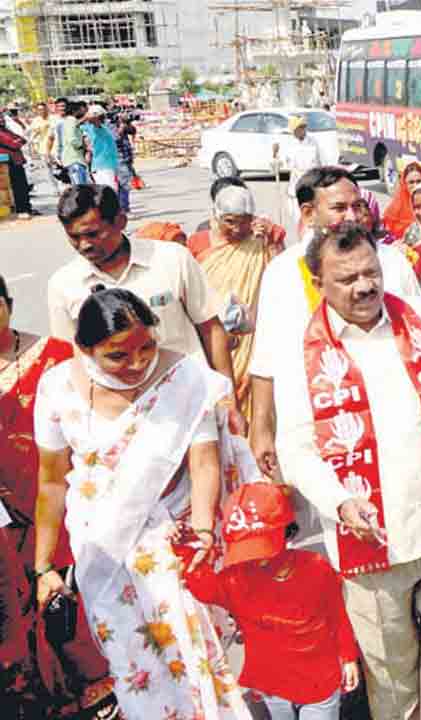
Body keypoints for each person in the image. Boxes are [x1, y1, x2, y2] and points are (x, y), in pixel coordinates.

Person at [273, 222, 421, 719]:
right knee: (390, 677)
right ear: (317, 283)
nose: (364, 287)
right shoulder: (299, 352)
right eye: (347, 279)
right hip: (369, 539)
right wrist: (340, 501)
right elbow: (295, 447)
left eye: (371, 273)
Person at [33, 287, 255, 719]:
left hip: (176, 535)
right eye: (117, 355)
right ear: (84, 348)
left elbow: (205, 462)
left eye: (147, 348)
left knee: (193, 653)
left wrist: (205, 530)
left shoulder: (186, 379)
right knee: (133, 659)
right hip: (102, 547)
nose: (137, 364)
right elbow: (51, 483)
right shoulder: (57, 388)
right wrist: (44, 567)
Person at [245, 166, 421, 489]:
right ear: (309, 213)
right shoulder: (282, 272)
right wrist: (261, 427)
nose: (352, 216)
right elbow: (266, 358)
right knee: (339, 512)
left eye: (357, 206)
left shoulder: (393, 262)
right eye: (339, 208)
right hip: (316, 420)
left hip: (393, 413)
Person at [0, 274, 117, 719]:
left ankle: (105, 687)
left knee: (75, 598)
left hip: (63, 503)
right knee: (21, 612)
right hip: (8, 521)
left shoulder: (52, 358)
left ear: (8, 303)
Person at [181, 483, 360, 720]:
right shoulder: (236, 579)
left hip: (320, 683)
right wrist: (188, 549)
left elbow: (337, 615)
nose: (254, 559)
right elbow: (204, 588)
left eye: (261, 547)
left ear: (286, 530)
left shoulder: (316, 568)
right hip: (274, 687)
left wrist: (348, 657)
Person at [48, 185, 235, 384]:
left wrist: (228, 397)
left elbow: (211, 329)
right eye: (74, 237)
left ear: (120, 221)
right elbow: (70, 359)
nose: (84, 245)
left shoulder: (173, 259)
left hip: (190, 393)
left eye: (93, 234)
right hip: (118, 409)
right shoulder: (63, 285)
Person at [188, 182, 285, 425]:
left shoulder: (263, 238)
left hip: (254, 336)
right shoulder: (199, 243)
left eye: (245, 220)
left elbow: (281, 275)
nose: (238, 228)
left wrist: (271, 243)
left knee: (256, 389)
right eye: (230, 221)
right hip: (213, 332)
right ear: (216, 216)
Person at [274, 115, 323, 237]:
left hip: (312, 184)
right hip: (295, 187)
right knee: (299, 220)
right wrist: (274, 155)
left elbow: (320, 163)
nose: (299, 131)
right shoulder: (288, 144)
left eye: (301, 128)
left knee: (314, 220)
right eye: (296, 129)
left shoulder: (313, 142)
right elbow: (279, 164)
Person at [381, 160, 421, 241]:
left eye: (419, 181)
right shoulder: (395, 209)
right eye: (411, 182)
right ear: (405, 184)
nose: (416, 185)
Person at [81, 105, 118, 189]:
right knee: (105, 193)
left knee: (110, 192)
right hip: (99, 167)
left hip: (108, 166)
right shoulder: (87, 128)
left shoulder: (105, 128)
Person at [58, 102, 89, 186]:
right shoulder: (71, 120)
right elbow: (72, 140)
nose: (84, 112)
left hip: (74, 159)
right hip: (74, 159)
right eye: (81, 110)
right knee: (80, 187)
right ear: (75, 110)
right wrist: (83, 146)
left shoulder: (69, 121)